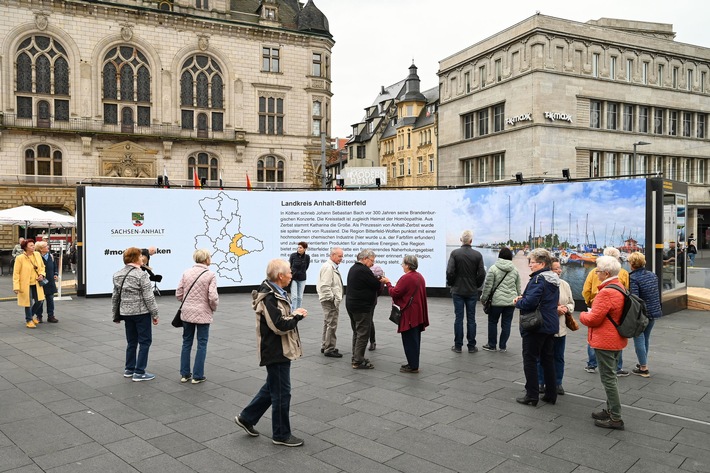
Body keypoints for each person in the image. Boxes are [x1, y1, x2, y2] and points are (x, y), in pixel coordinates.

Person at [235, 259, 308, 447]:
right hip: (276, 351)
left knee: (272, 387)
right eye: (289, 272)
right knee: (282, 393)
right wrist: (297, 315)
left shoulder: (275, 293)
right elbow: (279, 326)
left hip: (278, 349)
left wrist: (293, 315)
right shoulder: (269, 297)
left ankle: (247, 418)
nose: (292, 275)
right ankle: (281, 434)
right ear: (280, 276)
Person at [579, 255, 627, 430]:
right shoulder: (620, 287)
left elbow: (593, 319)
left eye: (598, 271)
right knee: (611, 376)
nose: (596, 273)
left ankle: (615, 417)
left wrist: (583, 315)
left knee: (608, 379)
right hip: (617, 338)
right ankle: (610, 410)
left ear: (606, 273)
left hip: (606, 340)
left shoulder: (605, 292)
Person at [513, 248, 560, 406]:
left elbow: (530, 303)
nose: (530, 265)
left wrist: (518, 302)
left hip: (536, 325)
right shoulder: (553, 278)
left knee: (530, 359)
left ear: (541, 263)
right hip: (550, 323)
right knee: (548, 359)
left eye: (532, 262)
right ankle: (551, 394)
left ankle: (532, 395)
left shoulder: (539, 279)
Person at [112, 247, 160, 381]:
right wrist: (155, 314)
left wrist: (115, 315)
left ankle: (129, 368)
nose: (142, 258)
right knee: (145, 341)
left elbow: (115, 296)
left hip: (126, 313)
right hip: (141, 312)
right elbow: (149, 297)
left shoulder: (117, 274)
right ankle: (139, 372)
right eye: (140, 256)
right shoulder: (141, 275)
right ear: (135, 258)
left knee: (131, 341)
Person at [582, 247, 629, 376]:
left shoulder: (594, 272)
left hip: (595, 304)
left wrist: (589, 302)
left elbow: (586, 289)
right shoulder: (623, 272)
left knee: (593, 334)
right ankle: (618, 367)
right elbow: (626, 291)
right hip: (616, 309)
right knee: (616, 333)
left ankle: (592, 364)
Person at [176, 249, 219, 384]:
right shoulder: (210, 274)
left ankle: (184, 374)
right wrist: (213, 307)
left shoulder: (186, 272)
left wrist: (187, 303)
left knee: (186, 342)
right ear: (206, 259)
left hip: (187, 313)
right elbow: (212, 297)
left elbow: (178, 293)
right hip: (203, 313)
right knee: (202, 343)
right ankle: (197, 376)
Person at [385, 255, 429, 373]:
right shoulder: (420, 277)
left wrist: (388, 283)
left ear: (408, 265)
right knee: (414, 339)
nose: (402, 266)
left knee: (409, 339)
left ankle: (413, 365)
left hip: (409, 314)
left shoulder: (406, 278)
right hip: (417, 313)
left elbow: (395, 293)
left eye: (403, 264)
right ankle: (413, 363)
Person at [346, 249, 389, 369]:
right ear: (365, 259)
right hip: (361, 307)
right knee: (363, 333)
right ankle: (358, 360)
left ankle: (356, 356)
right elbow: (375, 285)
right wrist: (382, 280)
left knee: (357, 331)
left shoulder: (354, 268)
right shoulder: (363, 270)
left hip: (352, 305)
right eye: (372, 261)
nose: (373, 264)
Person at [537, 257, 575, 395]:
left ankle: (558, 382)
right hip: (546, 327)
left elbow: (571, 303)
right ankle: (540, 382)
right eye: (556, 268)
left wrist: (566, 308)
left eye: (560, 268)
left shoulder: (565, 285)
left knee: (558, 356)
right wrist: (555, 310)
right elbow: (539, 305)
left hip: (560, 329)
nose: (559, 271)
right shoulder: (542, 284)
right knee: (542, 356)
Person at [446, 230, 486, 354]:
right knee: (471, 318)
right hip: (471, 291)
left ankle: (458, 346)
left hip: (457, 290)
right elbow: (482, 274)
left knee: (459, 318)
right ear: (471, 241)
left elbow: (450, 272)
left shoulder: (455, 253)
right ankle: (471, 346)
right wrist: (476, 285)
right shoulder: (477, 255)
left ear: (461, 240)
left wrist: (452, 283)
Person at [628, 252, 663, 378]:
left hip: (642, 315)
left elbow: (635, 299)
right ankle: (642, 362)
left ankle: (643, 368)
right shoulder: (652, 275)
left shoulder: (633, 278)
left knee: (638, 338)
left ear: (632, 264)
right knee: (645, 339)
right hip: (653, 312)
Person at [480, 247, 521, 352]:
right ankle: (503, 346)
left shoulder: (493, 269)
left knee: (493, 322)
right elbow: (518, 288)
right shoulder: (515, 270)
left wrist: (483, 299)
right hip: (510, 302)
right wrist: (518, 300)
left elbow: (487, 287)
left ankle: (492, 345)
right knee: (506, 324)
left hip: (496, 302)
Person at [12, 238, 46, 329]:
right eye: (31, 245)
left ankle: (31, 315)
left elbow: (42, 267)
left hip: (37, 282)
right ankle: (29, 320)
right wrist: (16, 286)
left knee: (40, 301)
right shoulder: (20, 258)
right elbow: (16, 273)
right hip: (25, 284)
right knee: (28, 302)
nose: (33, 246)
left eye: (33, 245)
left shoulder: (37, 254)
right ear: (25, 248)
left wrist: (42, 274)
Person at [317, 247, 344, 358]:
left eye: (342, 256)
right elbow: (325, 286)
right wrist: (332, 298)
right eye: (339, 256)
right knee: (332, 324)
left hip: (328, 299)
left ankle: (325, 345)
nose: (341, 258)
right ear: (332, 255)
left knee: (327, 323)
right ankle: (329, 348)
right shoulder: (329, 267)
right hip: (329, 301)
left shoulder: (331, 267)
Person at [34, 241, 59, 323]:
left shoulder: (51, 256)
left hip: (50, 281)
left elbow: (54, 266)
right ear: (41, 249)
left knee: (50, 299)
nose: (48, 247)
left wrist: (55, 273)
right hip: (41, 281)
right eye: (45, 246)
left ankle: (51, 315)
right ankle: (39, 316)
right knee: (40, 300)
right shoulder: (36, 257)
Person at [368, 264, 386, 351]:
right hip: (362, 300)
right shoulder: (360, 269)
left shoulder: (376, 269)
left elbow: (381, 285)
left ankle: (372, 341)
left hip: (371, 300)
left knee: (369, 320)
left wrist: (374, 295)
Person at [289, 242, 310, 310]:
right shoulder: (293, 255)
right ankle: (293, 311)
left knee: (300, 297)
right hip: (294, 278)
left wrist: (301, 272)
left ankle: (298, 311)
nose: (299, 249)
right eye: (298, 247)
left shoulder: (307, 257)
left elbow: (306, 267)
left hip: (302, 278)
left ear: (305, 249)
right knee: (294, 296)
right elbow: (290, 265)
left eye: (300, 247)